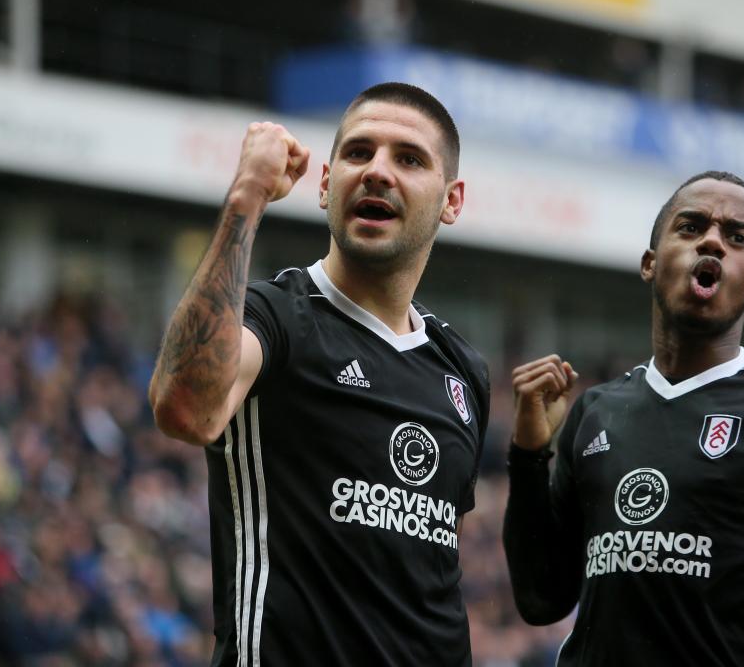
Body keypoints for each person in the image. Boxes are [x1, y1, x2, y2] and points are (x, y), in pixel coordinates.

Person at [149, 82, 489, 666]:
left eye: (408, 159)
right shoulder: (276, 317)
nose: (377, 171)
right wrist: (246, 200)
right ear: (326, 184)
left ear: (452, 200)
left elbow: (429, 583)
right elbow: (186, 409)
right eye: (359, 153)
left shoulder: (463, 370)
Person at [503, 171, 744, 665]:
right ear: (650, 264)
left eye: (737, 237)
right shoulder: (595, 410)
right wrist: (527, 457)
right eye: (691, 227)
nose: (712, 240)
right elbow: (541, 600)